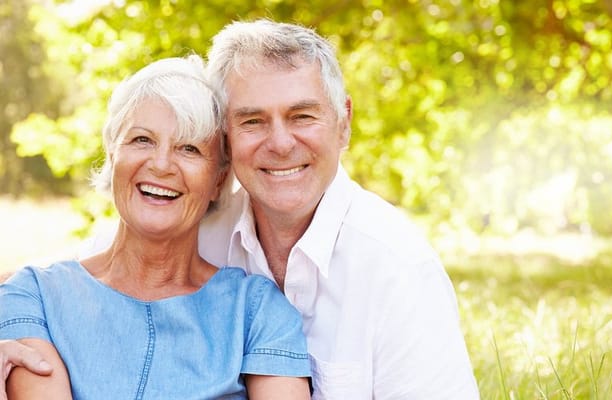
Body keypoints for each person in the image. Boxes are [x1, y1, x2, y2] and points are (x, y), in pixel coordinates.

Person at [2, 18, 479, 399]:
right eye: (253, 121)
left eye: (302, 116)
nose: (280, 143)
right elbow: (88, 281)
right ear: (228, 146)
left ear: (343, 123)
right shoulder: (193, 224)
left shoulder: (396, 269)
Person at [0, 55, 311, 399]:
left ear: (218, 178)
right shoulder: (32, 296)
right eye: (142, 140)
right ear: (112, 154)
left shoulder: (257, 313)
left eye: (189, 148)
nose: (161, 164)